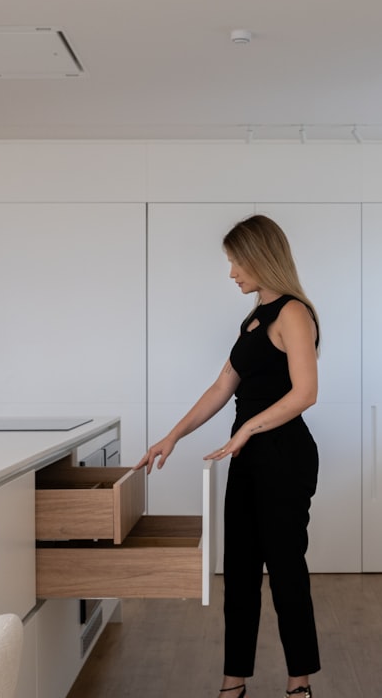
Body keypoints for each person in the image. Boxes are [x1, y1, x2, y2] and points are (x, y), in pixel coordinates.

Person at [135, 214, 321, 698]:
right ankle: (232, 681)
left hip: (283, 454)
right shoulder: (254, 318)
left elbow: (304, 394)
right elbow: (224, 385)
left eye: (237, 261)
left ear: (261, 257)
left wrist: (249, 431)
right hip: (248, 455)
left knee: (284, 569)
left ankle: (299, 683)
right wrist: (171, 436)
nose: (232, 272)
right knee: (238, 570)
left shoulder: (293, 314)